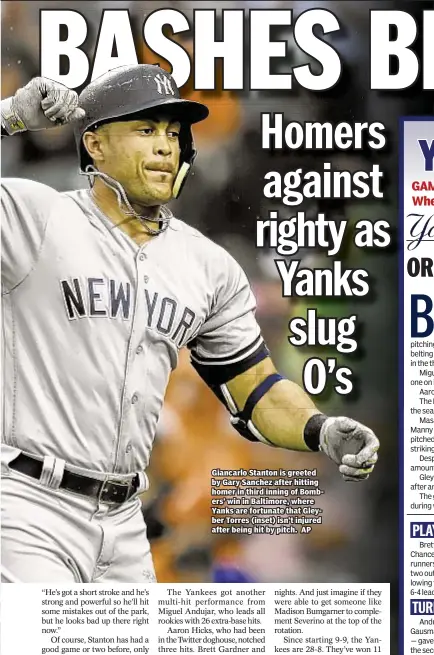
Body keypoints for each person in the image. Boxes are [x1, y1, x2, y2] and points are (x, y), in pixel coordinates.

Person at [0, 65, 379, 583]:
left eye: (173, 133)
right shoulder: (35, 215)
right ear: (95, 144)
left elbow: (258, 393)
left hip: (126, 518)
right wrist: (9, 119)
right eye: (145, 129)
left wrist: (320, 429)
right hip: (27, 503)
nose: (165, 146)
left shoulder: (207, 265)